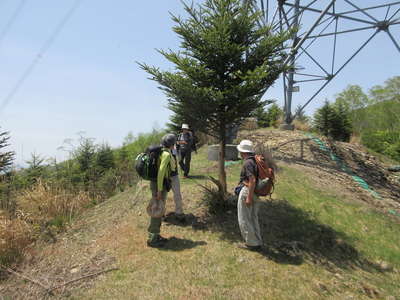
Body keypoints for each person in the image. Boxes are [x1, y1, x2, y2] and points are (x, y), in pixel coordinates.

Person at [147, 133, 176, 248]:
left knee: (158, 209)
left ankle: (155, 235)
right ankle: (153, 240)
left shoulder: (161, 152)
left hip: (156, 184)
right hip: (159, 186)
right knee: (157, 210)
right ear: (171, 144)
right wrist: (159, 190)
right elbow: (161, 173)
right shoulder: (165, 154)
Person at [236, 139, 263, 251]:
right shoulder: (255, 160)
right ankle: (257, 241)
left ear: (243, 152)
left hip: (248, 191)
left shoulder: (248, 162)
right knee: (253, 218)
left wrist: (248, 197)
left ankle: (251, 244)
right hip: (255, 192)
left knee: (244, 219)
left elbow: (252, 179)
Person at [170, 144, 185, 222]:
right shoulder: (173, 150)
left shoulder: (163, 150)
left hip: (165, 177)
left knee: (163, 195)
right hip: (173, 176)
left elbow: (179, 159)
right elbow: (180, 160)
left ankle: (160, 213)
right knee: (177, 194)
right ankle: (179, 213)